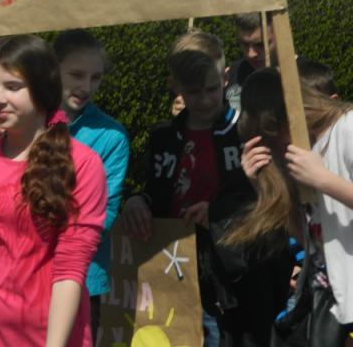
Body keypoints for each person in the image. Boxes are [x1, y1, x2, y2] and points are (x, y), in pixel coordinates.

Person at [121, 31, 290, 347]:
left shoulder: (247, 133)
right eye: (193, 91)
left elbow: (269, 200)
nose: (205, 100)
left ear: (225, 77)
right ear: (174, 86)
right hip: (176, 268)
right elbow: (158, 192)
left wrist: (216, 213)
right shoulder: (163, 138)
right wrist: (138, 201)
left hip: (234, 273)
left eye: (212, 89)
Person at [0, 34, 107, 346]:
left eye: (12, 86)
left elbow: (70, 270)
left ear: (43, 90)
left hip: (49, 336)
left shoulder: (83, 165)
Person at [232, 68, 353, 345]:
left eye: (275, 134)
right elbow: (310, 240)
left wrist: (323, 180)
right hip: (330, 306)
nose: (280, 145)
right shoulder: (306, 150)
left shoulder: (347, 129)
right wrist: (263, 185)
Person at [52, 29, 129, 340]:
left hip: (82, 280)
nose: (86, 87)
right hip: (18, 278)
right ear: (52, 69)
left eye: (95, 77)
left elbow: (103, 216)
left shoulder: (112, 136)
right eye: (76, 74)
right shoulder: (22, 122)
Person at [226, 12, 276, 110]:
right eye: (244, 44)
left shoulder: (303, 76)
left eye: (260, 45)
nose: (250, 54)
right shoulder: (235, 72)